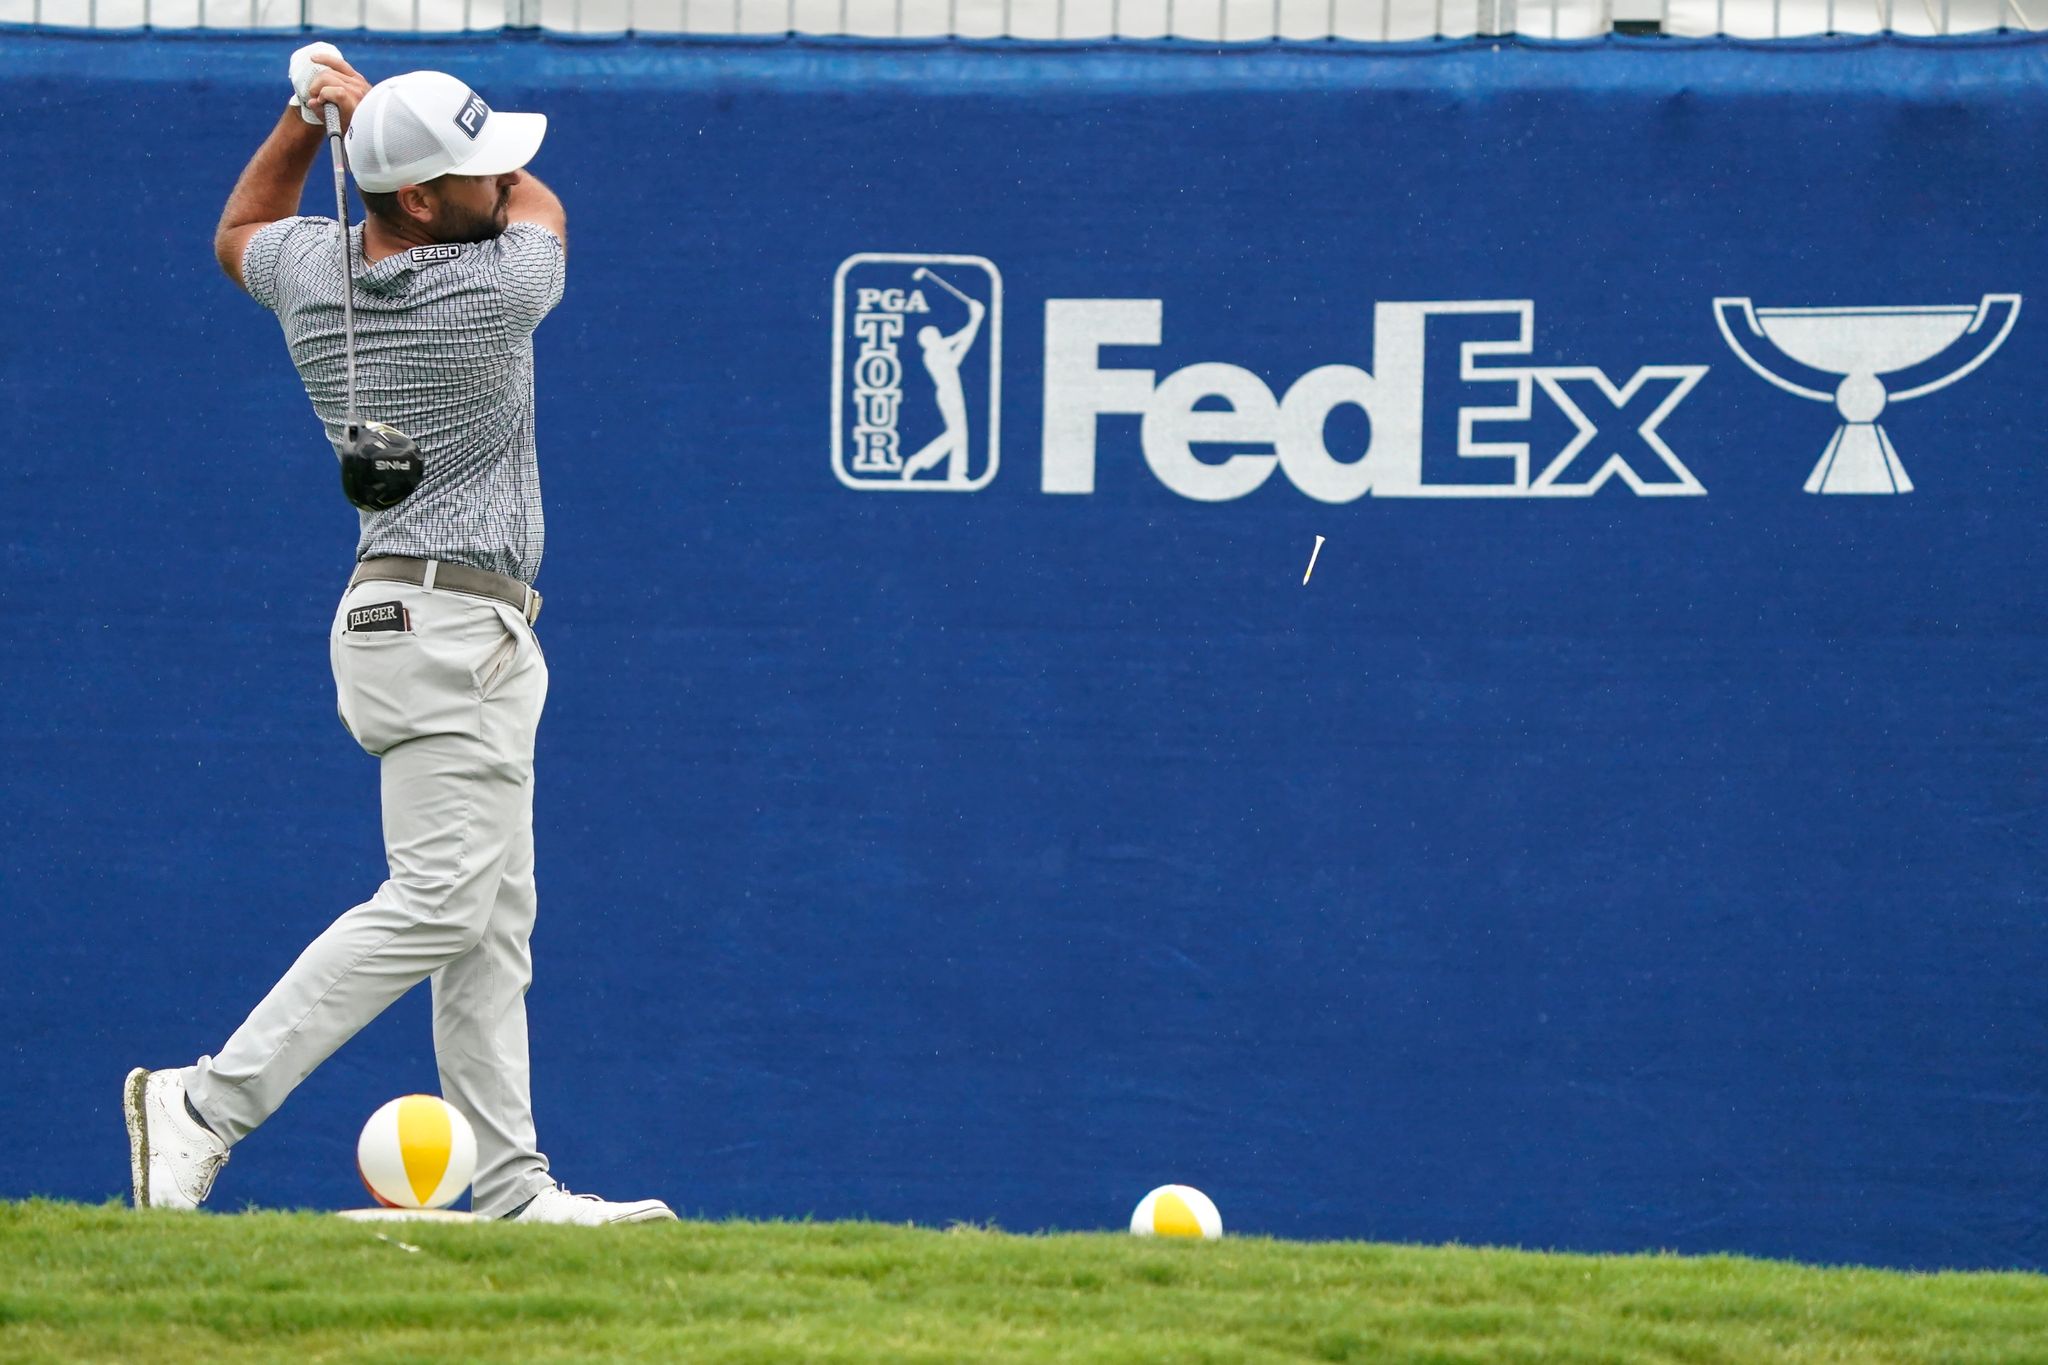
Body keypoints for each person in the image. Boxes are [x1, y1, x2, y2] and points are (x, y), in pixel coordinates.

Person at [121, 49, 674, 1226]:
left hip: (414, 623)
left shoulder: (313, 271)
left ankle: (514, 1190)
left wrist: (305, 117)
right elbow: (543, 207)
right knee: (437, 903)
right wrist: (366, 113)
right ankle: (206, 1106)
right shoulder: (495, 291)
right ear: (422, 200)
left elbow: (240, 229)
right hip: (449, 631)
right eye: (475, 168)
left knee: (488, 925)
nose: (504, 177)